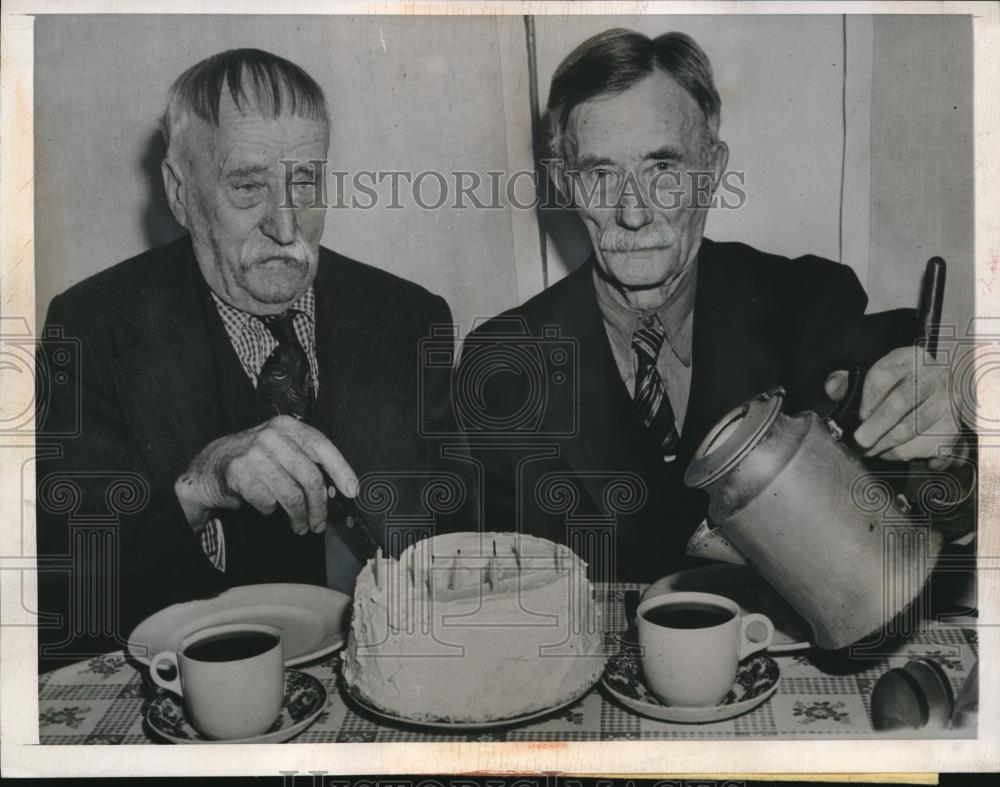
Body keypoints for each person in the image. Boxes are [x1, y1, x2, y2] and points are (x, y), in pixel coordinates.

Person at [459, 29, 974, 582]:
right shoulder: (504, 363)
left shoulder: (809, 303)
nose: (634, 213)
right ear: (565, 184)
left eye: (664, 169)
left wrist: (951, 449)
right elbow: (493, 580)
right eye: (601, 174)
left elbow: (928, 521)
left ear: (712, 170)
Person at [36, 49, 469, 666]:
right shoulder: (92, 328)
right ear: (181, 195)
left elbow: (457, 551)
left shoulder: (408, 318)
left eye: (305, 182)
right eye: (247, 186)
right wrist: (201, 485)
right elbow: (62, 592)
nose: (286, 224)